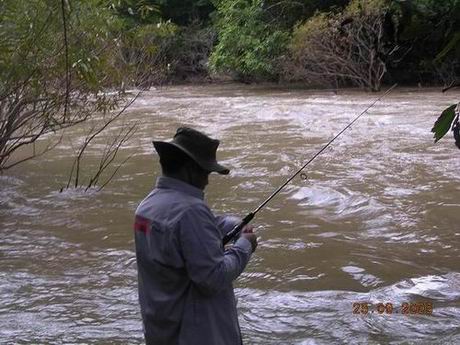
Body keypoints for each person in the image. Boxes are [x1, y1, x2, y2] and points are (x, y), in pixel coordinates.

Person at [134, 127, 258, 345]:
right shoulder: (191, 211)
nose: (208, 181)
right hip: (199, 335)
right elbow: (213, 278)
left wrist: (232, 224)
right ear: (191, 169)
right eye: (206, 172)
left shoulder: (148, 206)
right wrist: (245, 246)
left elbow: (190, 231)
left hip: (161, 332)